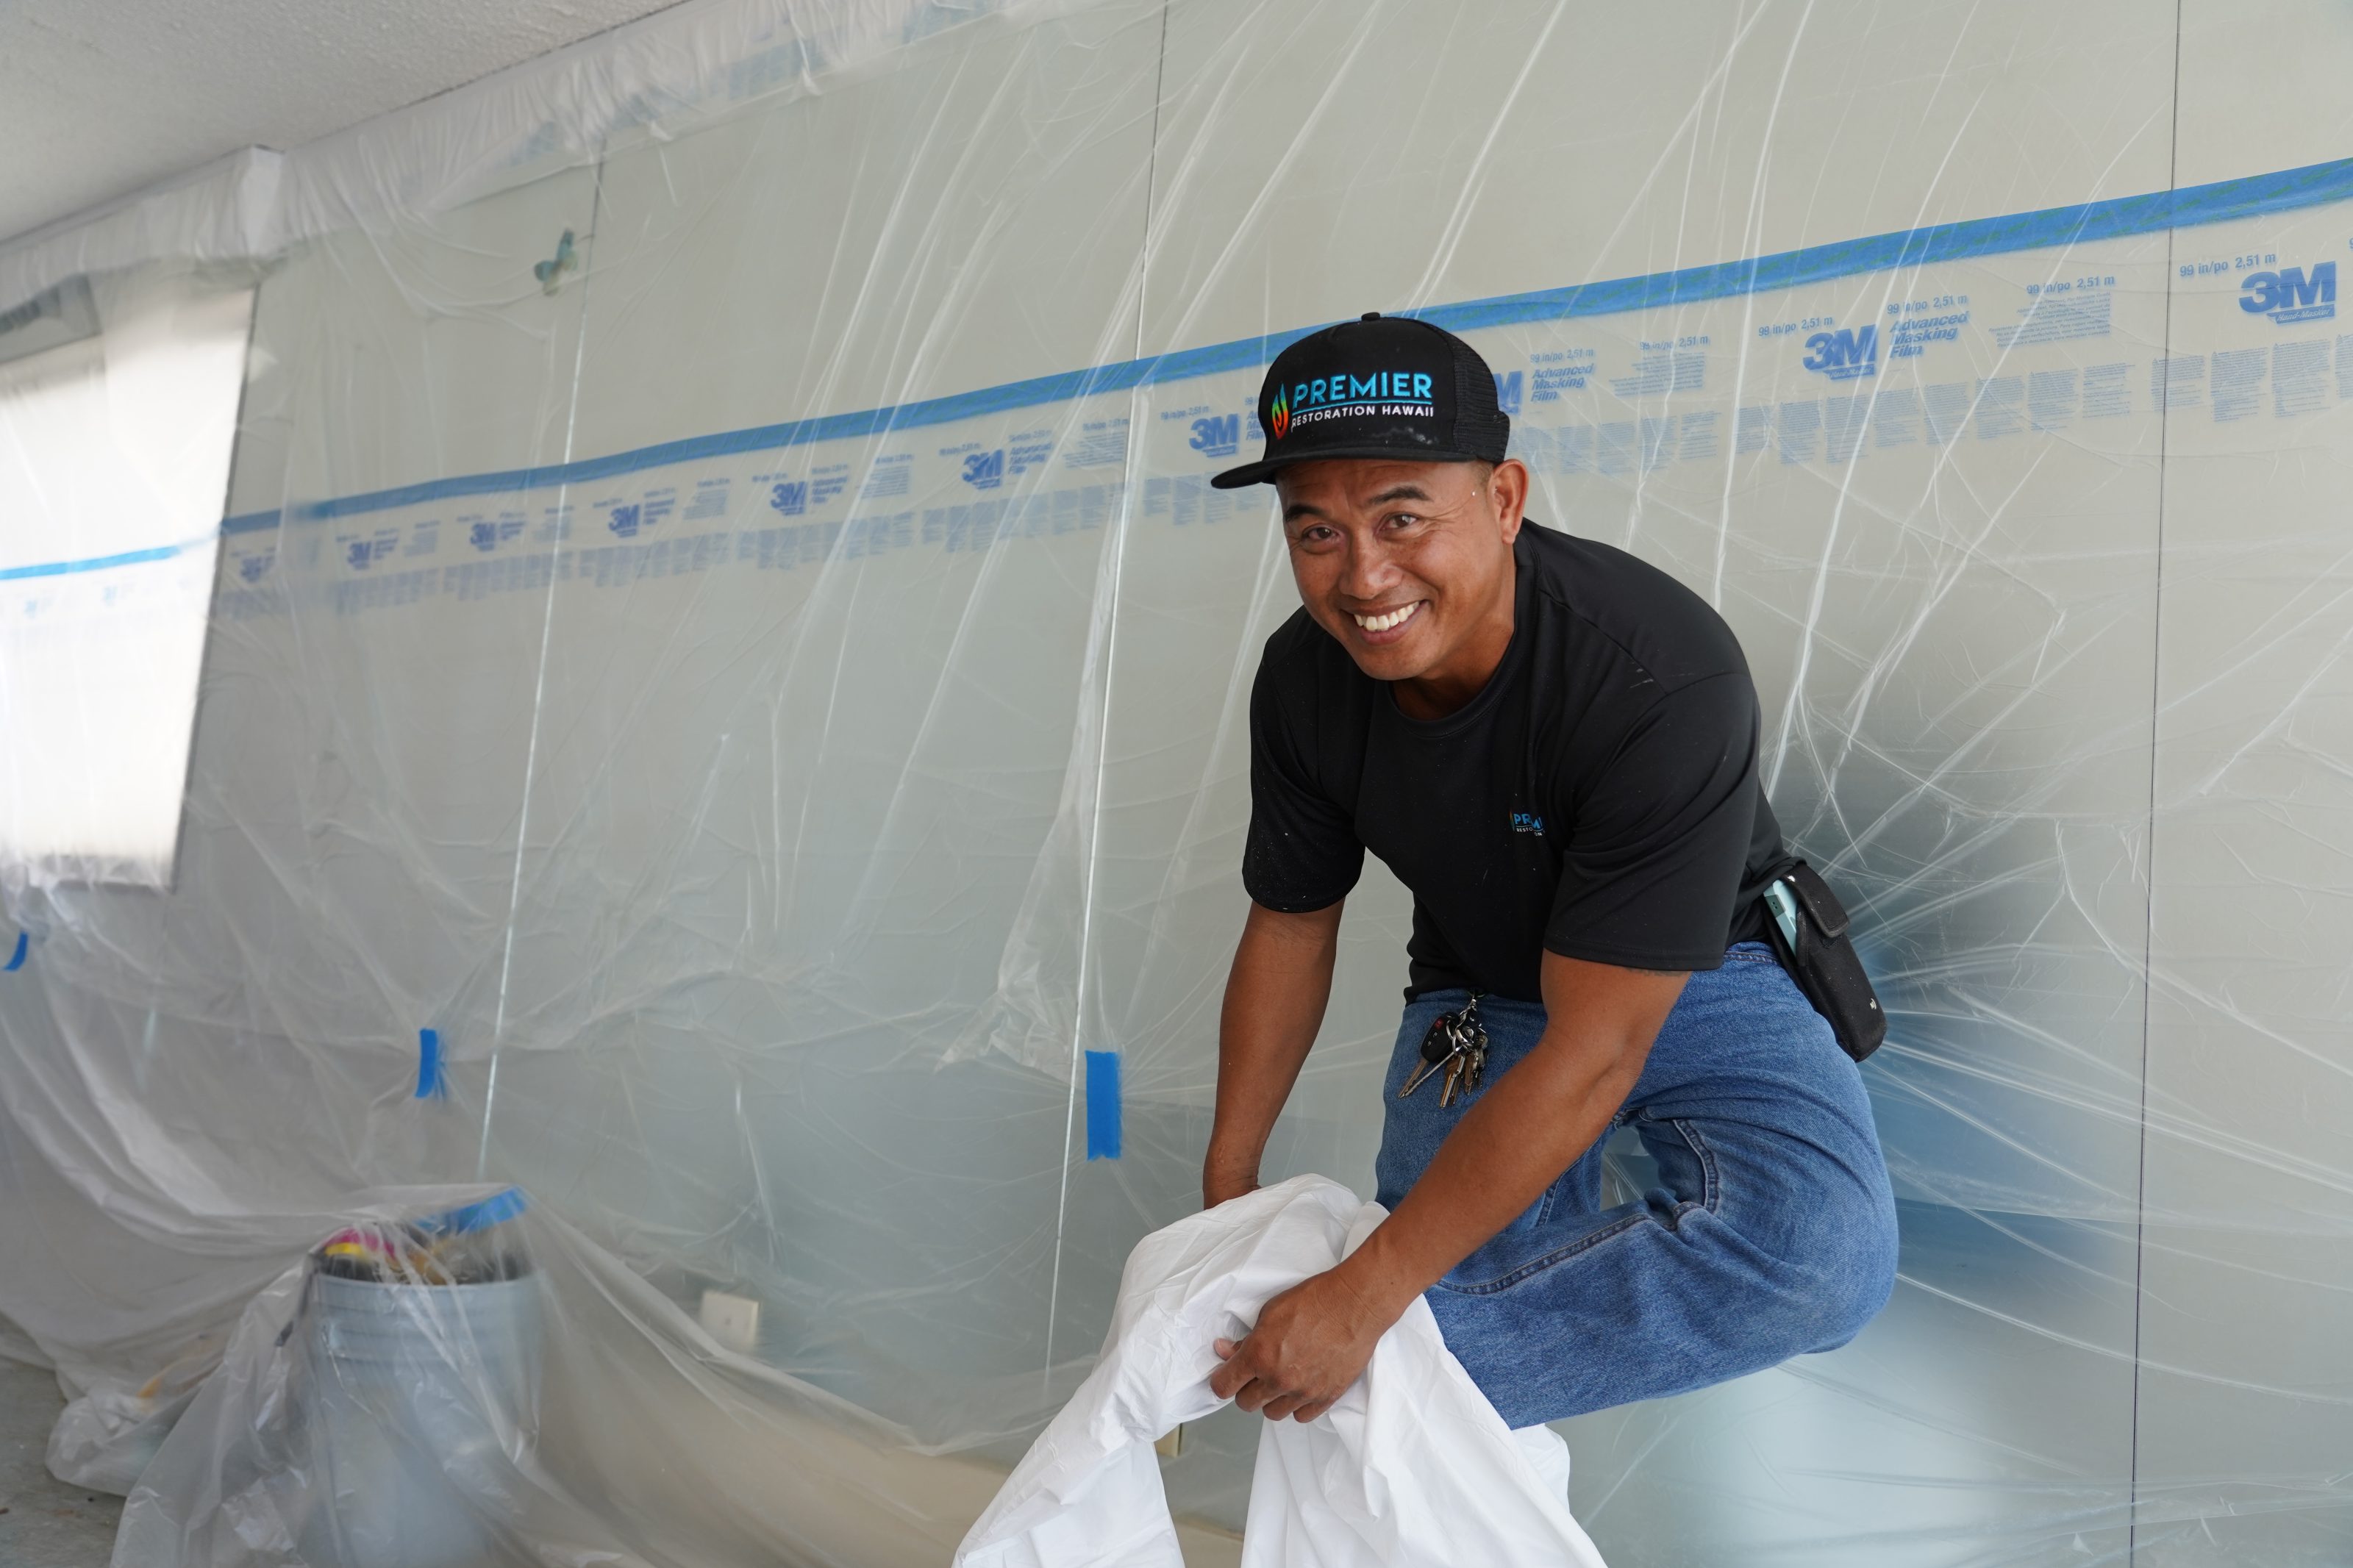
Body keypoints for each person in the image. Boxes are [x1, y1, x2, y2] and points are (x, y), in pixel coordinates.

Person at [1199, 313, 1899, 1432]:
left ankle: (1384, 1386)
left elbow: (1599, 1048)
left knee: (1819, 1255)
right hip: (1482, 985)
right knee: (1416, 1278)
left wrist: (1367, 1303)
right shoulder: (1304, 681)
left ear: (1507, 498)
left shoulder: (1655, 673)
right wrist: (1224, 1192)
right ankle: (1389, 1391)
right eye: (1316, 531)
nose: (1363, 574)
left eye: (1402, 516)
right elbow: (1291, 923)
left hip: (1702, 968)